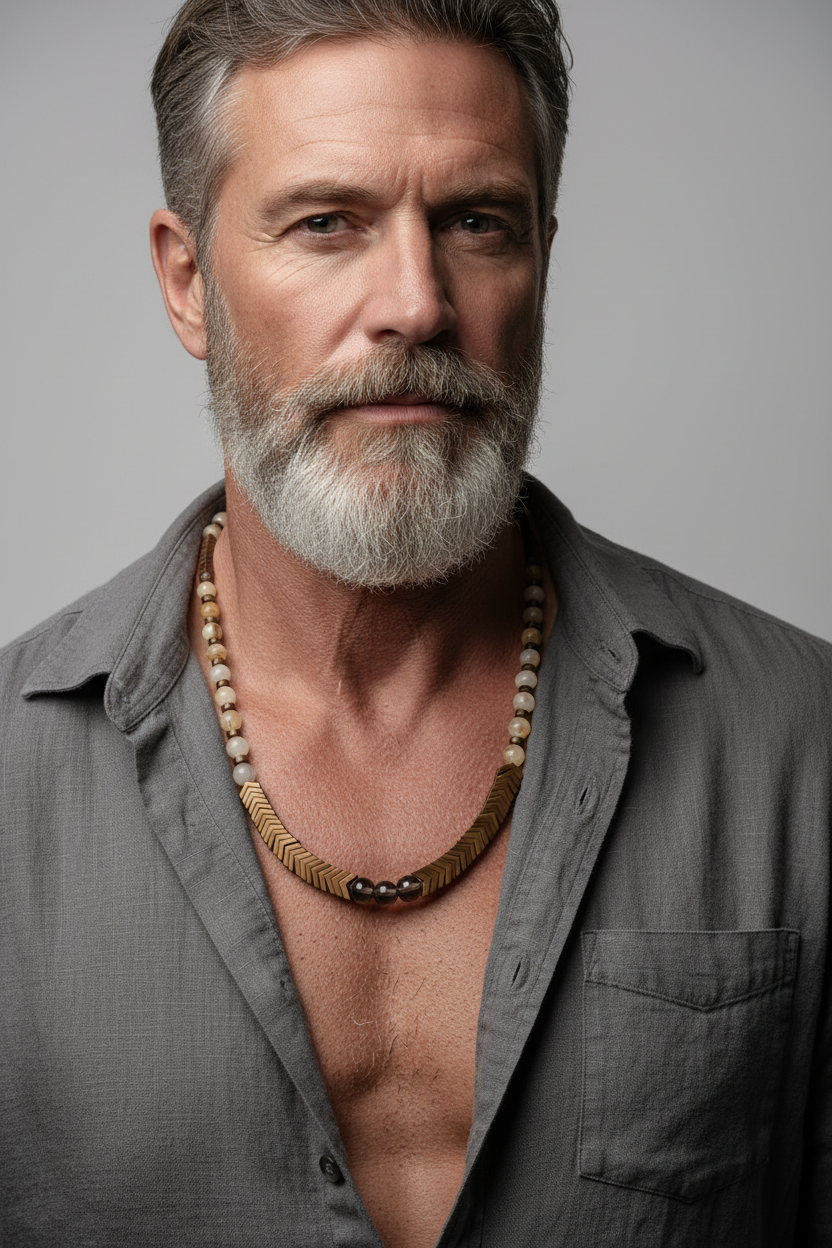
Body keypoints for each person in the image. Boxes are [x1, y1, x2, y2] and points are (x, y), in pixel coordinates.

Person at [0, 1, 829, 1245]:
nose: (416, 304)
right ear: (188, 282)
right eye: (326, 223)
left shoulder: (801, 745)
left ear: (541, 258)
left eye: (475, 221)